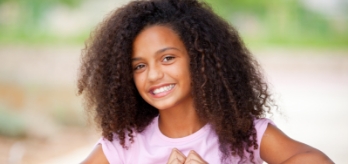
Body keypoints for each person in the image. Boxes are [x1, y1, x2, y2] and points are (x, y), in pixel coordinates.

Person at [78, 0, 333, 163]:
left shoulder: (244, 134)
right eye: (140, 66)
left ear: (200, 59)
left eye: (167, 58)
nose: (153, 75)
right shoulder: (125, 144)